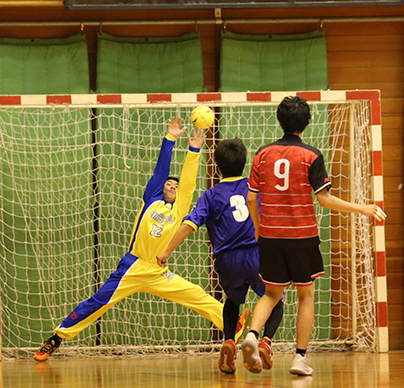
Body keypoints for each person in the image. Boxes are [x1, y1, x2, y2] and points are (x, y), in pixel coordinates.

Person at [35, 117, 246, 361]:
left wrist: (194, 150)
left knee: (197, 295)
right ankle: (57, 338)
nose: (172, 185)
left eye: (175, 185)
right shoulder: (152, 200)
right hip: (133, 266)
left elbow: (188, 181)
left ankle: (233, 328)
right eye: (168, 183)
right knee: (97, 302)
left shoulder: (180, 209)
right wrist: (170, 139)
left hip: (158, 271)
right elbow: (160, 170)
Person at [245, 96, 386, 376]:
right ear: (306, 123)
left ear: (279, 121)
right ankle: (299, 358)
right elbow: (324, 199)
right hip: (302, 237)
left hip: (271, 236)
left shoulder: (262, 153)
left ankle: (251, 334)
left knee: (272, 293)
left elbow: (251, 198)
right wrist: (362, 208)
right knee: (306, 296)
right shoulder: (311, 155)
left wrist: (260, 230)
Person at [157, 138, 283, 374]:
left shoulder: (211, 195)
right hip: (257, 254)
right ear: (245, 163)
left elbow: (188, 224)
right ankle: (265, 342)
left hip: (226, 260)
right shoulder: (254, 187)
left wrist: (166, 251)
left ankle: (228, 342)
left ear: (216, 167)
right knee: (275, 298)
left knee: (232, 301)